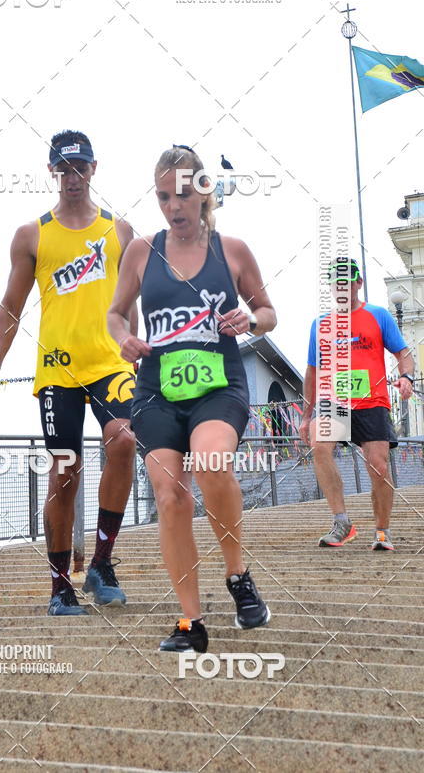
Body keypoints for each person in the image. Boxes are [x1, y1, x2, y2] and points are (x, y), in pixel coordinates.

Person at [107, 145, 276, 652]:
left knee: (210, 461)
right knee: (169, 496)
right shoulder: (141, 251)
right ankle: (191, 622)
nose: (173, 207)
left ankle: (237, 574)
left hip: (218, 386)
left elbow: (268, 310)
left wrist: (251, 319)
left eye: (182, 193)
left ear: (204, 191)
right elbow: (116, 313)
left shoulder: (233, 251)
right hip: (157, 390)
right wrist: (123, 337)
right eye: (163, 197)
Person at [0, 130, 137, 614]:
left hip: (110, 363)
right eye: (63, 169)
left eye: (80, 167)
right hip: (57, 371)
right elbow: (11, 307)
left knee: (124, 440)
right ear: (51, 173)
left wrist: (135, 349)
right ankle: (61, 586)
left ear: (94, 168)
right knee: (65, 473)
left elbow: (129, 305)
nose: (73, 177)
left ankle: (102, 563)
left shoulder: (120, 231)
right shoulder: (32, 235)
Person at [299, 257, 414, 551]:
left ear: (358, 283)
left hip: (372, 401)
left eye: (346, 283)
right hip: (333, 401)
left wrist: (406, 377)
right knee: (320, 445)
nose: (341, 289)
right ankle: (342, 522)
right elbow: (312, 371)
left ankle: (382, 531)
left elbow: (402, 352)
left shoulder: (378, 315)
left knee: (377, 465)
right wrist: (306, 415)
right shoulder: (320, 325)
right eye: (335, 284)